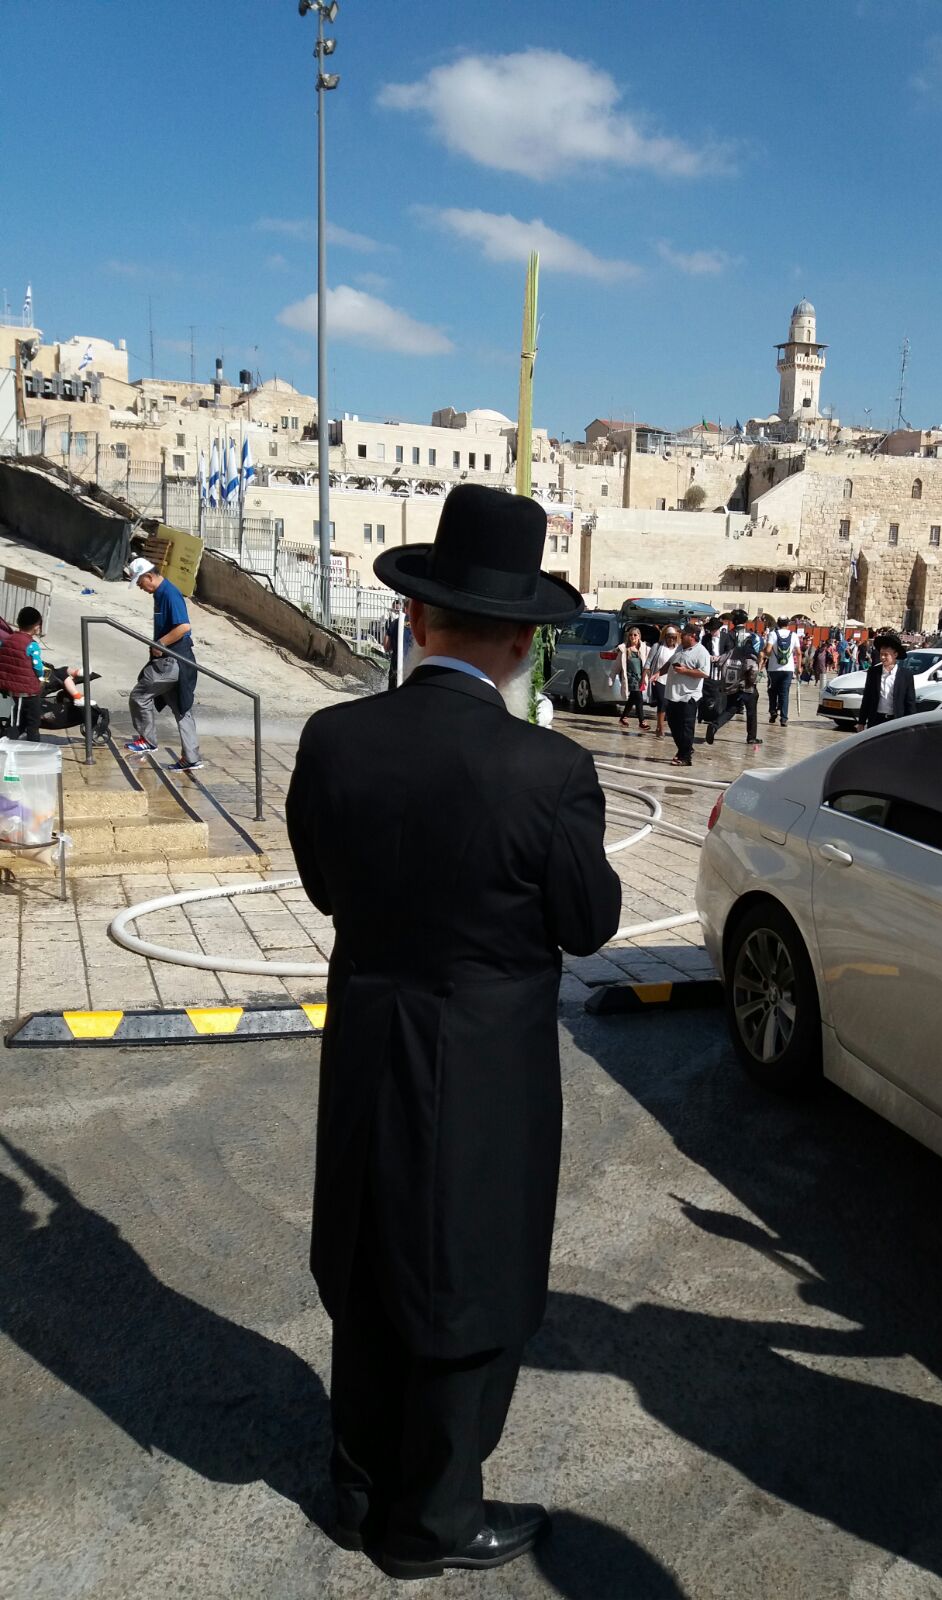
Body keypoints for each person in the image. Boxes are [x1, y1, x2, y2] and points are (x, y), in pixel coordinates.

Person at [285, 485, 621, 1580]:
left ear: (419, 621)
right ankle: (428, 1517)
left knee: (370, 1250)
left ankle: (356, 1480)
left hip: (369, 1035)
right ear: (524, 643)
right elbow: (589, 922)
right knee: (466, 1271)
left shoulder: (334, 740)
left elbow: (326, 886)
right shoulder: (551, 772)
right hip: (487, 1061)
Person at [125, 558, 202, 772]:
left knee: (139, 695)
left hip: (173, 660)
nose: (141, 587)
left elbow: (184, 626)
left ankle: (147, 740)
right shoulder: (160, 593)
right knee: (181, 708)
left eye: (140, 582)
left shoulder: (169, 593)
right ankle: (191, 757)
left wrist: (160, 643)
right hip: (178, 661)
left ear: (149, 576)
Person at [705, 618, 761, 749]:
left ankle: (714, 726)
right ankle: (751, 737)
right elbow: (753, 670)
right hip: (745, 687)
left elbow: (719, 661)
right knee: (751, 711)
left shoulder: (731, 652)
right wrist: (751, 683)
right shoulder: (750, 655)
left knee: (730, 710)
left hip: (731, 687)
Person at [663, 624, 710, 766]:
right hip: (673, 694)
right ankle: (686, 749)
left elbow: (704, 673)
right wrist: (658, 673)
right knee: (672, 723)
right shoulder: (680, 648)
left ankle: (685, 757)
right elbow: (670, 663)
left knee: (686, 726)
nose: (681, 636)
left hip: (689, 695)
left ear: (693, 636)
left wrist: (685, 671)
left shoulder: (702, 652)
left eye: (684, 634)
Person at [0, 606, 46, 741]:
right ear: (37, 627)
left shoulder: (7, 640)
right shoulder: (32, 645)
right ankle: (33, 750)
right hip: (29, 692)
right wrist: (41, 676)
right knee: (33, 724)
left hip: (12, 690)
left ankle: (9, 746)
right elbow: (38, 667)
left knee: (16, 721)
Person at [856, 633, 916, 729]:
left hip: (896, 720)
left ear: (895, 655)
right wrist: (861, 722)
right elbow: (867, 698)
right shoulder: (873, 672)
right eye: (881, 654)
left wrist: (911, 724)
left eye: (886, 655)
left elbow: (910, 702)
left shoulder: (906, 675)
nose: (882, 657)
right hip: (876, 720)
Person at [644, 626, 679, 739]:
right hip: (658, 679)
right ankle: (660, 727)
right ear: (665, 637)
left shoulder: (678, 649)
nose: (671, 640)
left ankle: (662, 726)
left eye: (673, 637)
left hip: (672, 681)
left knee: (669, 705)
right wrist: (646, 675)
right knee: (662, 703)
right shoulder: (658, 646)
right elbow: (648, 662)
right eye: (669, 637)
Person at [764, 617, 797, 727]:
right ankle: (784, 718)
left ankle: (773, 711)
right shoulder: (794, 635)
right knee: (784, 693)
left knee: (772, 691)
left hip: (773, 669)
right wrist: (799, 668)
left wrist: (768, 655)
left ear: (778, 623)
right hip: (788, 669)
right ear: (788, 624)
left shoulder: (773, 634)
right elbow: (799, 652)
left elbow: (768, 651)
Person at [617, 625, 649, 730]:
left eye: (635, 635)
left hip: (640, 677)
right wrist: (611, 677)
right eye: (631, 635)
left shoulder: (644, 648)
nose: (633, 637)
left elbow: (648, 662)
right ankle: (642, 721)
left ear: (639, 636)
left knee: (632, 698)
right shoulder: (624, 649)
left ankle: (623, 717)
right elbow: (616, 665)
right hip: (631, 677)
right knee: (638, 697)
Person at [384, 600, 403, 691]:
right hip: (414, 663)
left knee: (392, 691)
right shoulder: (419, 623)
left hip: (396, 661)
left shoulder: (394, 623)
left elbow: (386, 646)